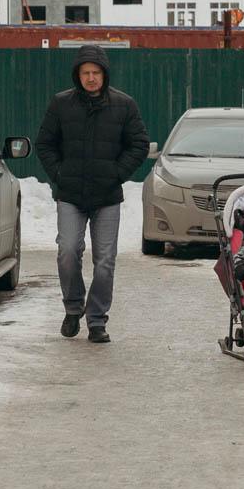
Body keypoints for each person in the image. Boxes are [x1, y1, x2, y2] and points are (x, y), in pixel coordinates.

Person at [34, 45, 149, 343]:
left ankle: (97, 320)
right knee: (68, 251)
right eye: (85, 73)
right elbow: (44, 144)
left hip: (107, 196)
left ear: (104, 75)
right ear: (77, 75)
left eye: (96, 72)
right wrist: (59, 174)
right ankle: (73, 308)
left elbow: (138, 144)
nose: (91, 78)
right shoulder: (61, 104)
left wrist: (116, 173)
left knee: (105, 260)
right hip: (71, 194)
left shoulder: (124, 105)